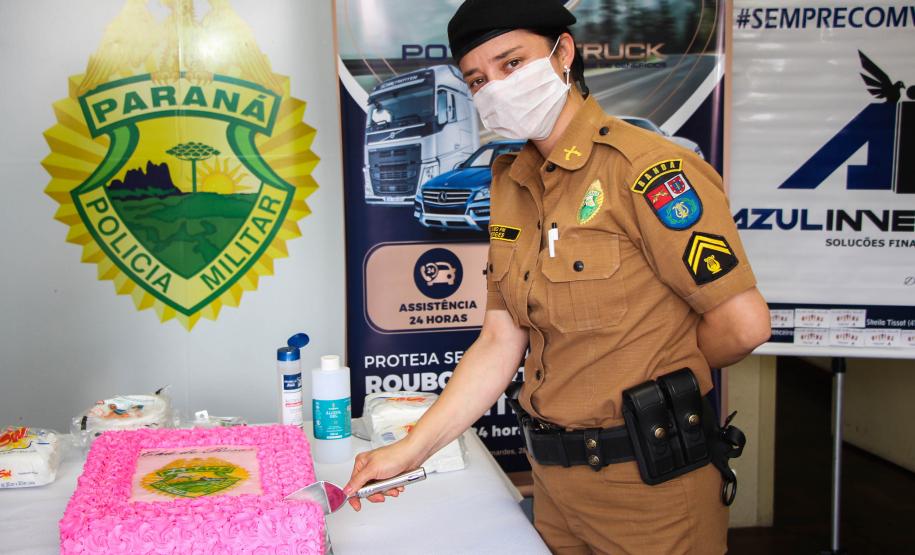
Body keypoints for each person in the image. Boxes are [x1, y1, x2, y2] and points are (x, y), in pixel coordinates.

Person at [344, 1, 772, 553]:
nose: (494, 88)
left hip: (650, 484)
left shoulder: (644, 169)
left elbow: (743, 324)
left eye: (512, 64)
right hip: (553, 482)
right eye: (477, 79)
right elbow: (501, 339)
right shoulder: (509, 183)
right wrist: (411, 449)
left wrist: (666, 363)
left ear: (562, 52)